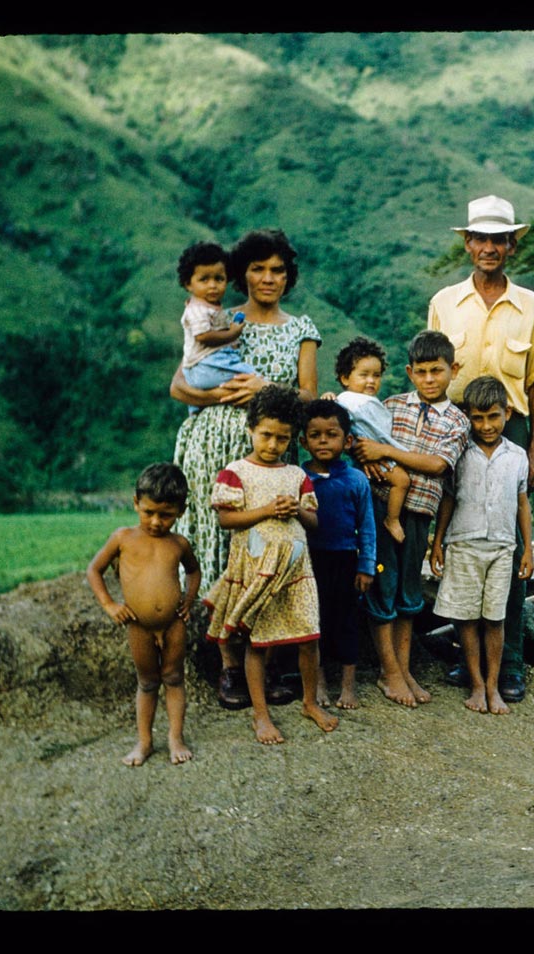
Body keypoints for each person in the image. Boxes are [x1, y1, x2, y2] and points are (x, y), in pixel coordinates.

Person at [168, 228, 321, 710]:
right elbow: (178, 385)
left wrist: (264, 387)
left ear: (289, 276)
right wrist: (218, 395)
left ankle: (268, 659)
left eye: (277, 270)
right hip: (212, 445)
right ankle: (230, 667)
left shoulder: (301, 329)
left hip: (271, 455)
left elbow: (311, 396)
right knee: (220, 544)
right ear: (242, 274)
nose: (267, 278)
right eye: (257, 268)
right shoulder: (220, 320)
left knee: (269, 550)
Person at [428, 195, 534, 702]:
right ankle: (466, 661)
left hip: (513, 428)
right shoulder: (444, 301)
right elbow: (431, 373)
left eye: (498, 239)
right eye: (480, 238)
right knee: (460, 541)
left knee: (508, 546)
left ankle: (512, 666)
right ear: (467, 243)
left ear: (511, 245)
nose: (488, 248)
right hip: (456, 426)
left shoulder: (531, 306)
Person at [202, 385, 338, 744]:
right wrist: (266, 510)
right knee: (258, 643)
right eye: (266, 435)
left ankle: (310, 701)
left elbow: (314, 522)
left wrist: (298, 511)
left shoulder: (295, 475)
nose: (273, 445)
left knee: (309, 637)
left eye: (282, 438)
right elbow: (226, 520)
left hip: (296, 573)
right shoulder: (236, 472)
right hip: (257, 571)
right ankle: (260, 715)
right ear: (250, 429)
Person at [350, 330, 470, 709]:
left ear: (454, 369)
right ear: (409, 372)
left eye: (437, 371)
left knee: (407, 593)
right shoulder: (389, 405)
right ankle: (390, 671)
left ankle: (403, 669)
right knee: (383, 587)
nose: (430, 379)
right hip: (381, 511)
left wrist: (384, 450)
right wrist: (367, 454)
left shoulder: (457, 421)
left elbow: (437, 465)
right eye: (421, 372)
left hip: (418, 516)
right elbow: (356, 437)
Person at [429, 376, 534, 715]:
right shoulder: (459, 454)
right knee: (467, 617)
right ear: (467, 415)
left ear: (508, 413)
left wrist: (527, 549)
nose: (486, 426)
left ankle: (493, 686)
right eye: (478, 418)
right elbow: (447, 499)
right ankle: (476, 684)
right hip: (463, 543)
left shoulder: (517, 456)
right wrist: (438, 542)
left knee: (495, 618)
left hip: (503, 547)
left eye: (493, 417)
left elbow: (522, 505)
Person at [86, 462, 201, 766]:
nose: (155, 522)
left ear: (181, 510)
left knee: (174, 678)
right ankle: (145, 741)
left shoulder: (179, 543)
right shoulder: (123, 538)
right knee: (147, 682)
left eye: (166, 515)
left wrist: (189, 599)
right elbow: (94, 570)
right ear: (136, 503)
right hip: (138, 625)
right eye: (148, 512)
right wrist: (110, 604)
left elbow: (194, 571)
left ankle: (175, 738)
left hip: (174, 623)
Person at [300, 398, 376, 710]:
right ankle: (317, 682)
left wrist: (366, 566)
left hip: (345, 560)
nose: (323, 441)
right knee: (312, 622)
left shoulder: (356, 479)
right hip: (308, 562)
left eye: (331, 434)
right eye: (315, 435)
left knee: (346, 622)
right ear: (303, 441)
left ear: (346, 441)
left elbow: (367, 526)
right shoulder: (298, 478)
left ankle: (348, 686)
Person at [325, 336, 411, 545]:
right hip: (367, 457)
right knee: (402, 480)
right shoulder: (347, 401)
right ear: (345, 378)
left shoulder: (369, 402)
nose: (371, 381)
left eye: (376, 375)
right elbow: (335, 419)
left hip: (376, 454)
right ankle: (392, 520)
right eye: (364, 375)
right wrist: (327, 397)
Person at [175, 241, 258, 398]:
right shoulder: (197, 309)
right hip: (205, 365)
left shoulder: (209, 307)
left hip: (205, 365)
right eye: (204, 280)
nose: (213, 285)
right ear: (188, 284)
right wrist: (232, 333)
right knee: (251, 377)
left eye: (219, 279)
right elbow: (204, 336)